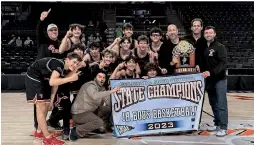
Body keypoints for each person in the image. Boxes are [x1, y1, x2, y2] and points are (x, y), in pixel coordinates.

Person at [26, 52, 82, 144]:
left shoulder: (64, 68)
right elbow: (52, 82)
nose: (75, 65)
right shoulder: (58, 64)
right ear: (67, 60)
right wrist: (70, 79)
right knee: (41, 106)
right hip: (34, 77)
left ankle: (39, 132)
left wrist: (51, 101)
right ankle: (47, 138)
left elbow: (56, 84)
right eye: (74, 62)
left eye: (77, 63)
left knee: (46, 104)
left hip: (43, 78)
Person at [69, 71, 120, 141]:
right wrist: (110, 91)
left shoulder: (102, 89)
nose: (102, 79)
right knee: (99, 122)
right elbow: (95, 96)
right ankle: (76, 131)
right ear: (95, 78)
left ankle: (95, 128)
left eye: (104, 77)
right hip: (79, 114)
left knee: (107, 109)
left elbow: (109, 103)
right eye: (99, 77)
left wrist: (116, 96)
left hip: (90, 112)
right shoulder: (90, 85)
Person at [202, 26, 228, 137]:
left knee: (221, 103)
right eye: (206, 33)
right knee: (213, 104)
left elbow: (223, 64)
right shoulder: (204, 47)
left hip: (220, 79)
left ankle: (223, 127)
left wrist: (211, 72)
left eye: (210, 33)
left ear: (215, 34)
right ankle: (217, 123)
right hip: (209, 81)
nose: (208, 34)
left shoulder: (220, 47)